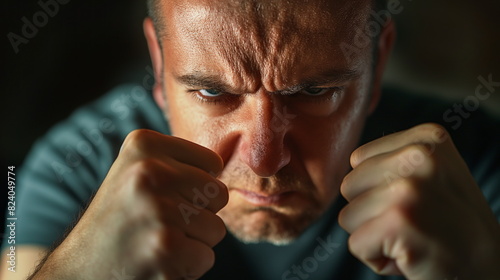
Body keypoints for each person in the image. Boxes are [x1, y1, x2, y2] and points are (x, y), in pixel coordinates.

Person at [2, 0, 500, 279]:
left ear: (378, 62)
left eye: (314, 91)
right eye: (212, 91)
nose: (264, 158)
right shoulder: (76, 164)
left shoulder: (470, 162)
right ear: (158, 63)